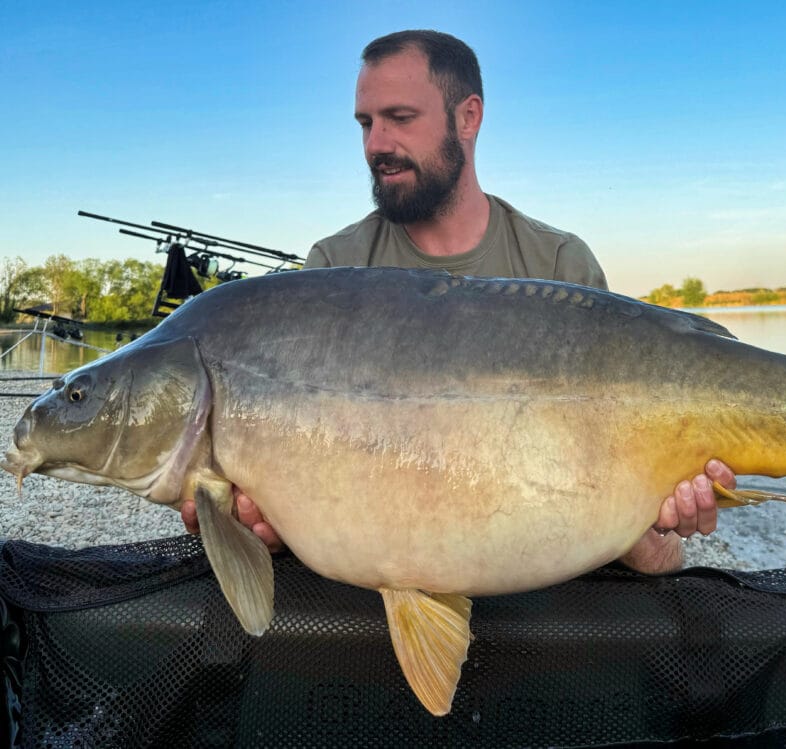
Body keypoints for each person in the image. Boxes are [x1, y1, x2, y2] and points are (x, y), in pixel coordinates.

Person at [181, 30, 735, 575]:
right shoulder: (331, 270)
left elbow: (649, 547)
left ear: (468, 117)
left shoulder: (561, 264)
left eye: (400, 118)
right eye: (365, 124)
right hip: (378, 588)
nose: (376, 144)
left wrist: (659, 520)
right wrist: (266, 526)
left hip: (548, 596)